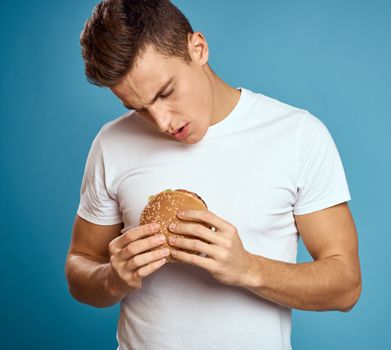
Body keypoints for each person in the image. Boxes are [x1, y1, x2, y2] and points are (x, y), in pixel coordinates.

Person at [65, 0, 362, 349]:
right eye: (138, 108)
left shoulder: (297, 135)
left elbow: (346, 285)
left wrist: (248, 268)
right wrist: (112, 279)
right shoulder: (111, 143)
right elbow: (79, 265)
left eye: (166, 93)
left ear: (198, 49)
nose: (162, 122)